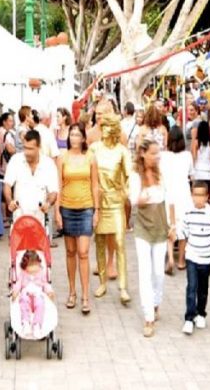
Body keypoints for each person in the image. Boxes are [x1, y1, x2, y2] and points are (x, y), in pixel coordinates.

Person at [129, 140, 176, 337]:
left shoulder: (162, 174)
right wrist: (140, 199)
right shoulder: (135, 175)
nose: (157, 157)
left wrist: (173, 226)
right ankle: (148, 317)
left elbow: (170, 201)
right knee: (145, 272)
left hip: (160, 227)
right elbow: (133, 199)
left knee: (158, 272)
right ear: (143, 154)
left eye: (158, 153)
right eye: (153, 153)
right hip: (142, 228)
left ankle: (156, 302)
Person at [55, 123, 98, 314]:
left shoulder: (90, 157)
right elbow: (58, 185)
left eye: (77, 135)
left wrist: (96, 210)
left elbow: (95, 185)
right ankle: (72, 291)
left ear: (83, 138)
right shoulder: (62, 158)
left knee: (83, 252)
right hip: (67, 207)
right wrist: (57, 211)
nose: (74, 138)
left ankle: (85, 296)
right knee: (70, 252)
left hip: (86, 207)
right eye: (71, 134)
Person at [91, 113, 133, 306]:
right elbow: (89, 174)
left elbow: (130, 176)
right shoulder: (94, 149)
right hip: (99, 203)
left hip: (116, 203)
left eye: (109, 125)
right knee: (99, 242)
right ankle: (102, 282)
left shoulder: (122, 151)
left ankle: (123, 287)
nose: (105, 128)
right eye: (104, 125)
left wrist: (125, 194)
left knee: (120, 243)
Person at [179, 181, 210, 335]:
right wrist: (175, 235)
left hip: (206, 259)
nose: (198, 198)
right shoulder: (188, 213)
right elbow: (184, 232)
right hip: (192, 256)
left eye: (201, 195)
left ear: (206, 197)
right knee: (191, 287)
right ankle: (189, 318)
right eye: (195, 195)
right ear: (192, 196)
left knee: (203, 289)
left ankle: (201, 313)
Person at [4, 130, 59, 227]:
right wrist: (10, 201)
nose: (27, 152)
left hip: (40, 222)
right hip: (19, 221)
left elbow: (53, 192)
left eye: (31, 149)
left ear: (39, 147)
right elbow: (7, 185)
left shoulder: (48, 164)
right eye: (25, 148)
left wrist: (48, 204)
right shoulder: (15, 160)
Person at [161, 126, 193, 274]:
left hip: (168, 193)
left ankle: (170, 258)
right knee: (184, 227)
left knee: (170, 225)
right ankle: (181, 260)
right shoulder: (187, 156)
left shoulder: (163, 156)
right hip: (184, 194)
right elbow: (191, 174)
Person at [11, 250, 55, 335]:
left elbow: (45, 284)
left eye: (36, 264)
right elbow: (18, 284)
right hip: (26, 294)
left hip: (38, 294)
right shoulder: (23, 273)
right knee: (23, 302)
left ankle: (37, 324)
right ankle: (25, 322)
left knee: (40, 304)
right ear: (25, 265)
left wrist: (49, 291)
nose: (34, 267)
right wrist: (15, 292)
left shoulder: (41, 273)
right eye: (31, 265)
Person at [191, 121, 210, 189]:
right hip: (208, 172)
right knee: (208, 192)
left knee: (198, 192)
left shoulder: (196, 142)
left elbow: (194, 157)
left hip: (198, 171)